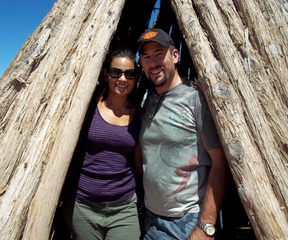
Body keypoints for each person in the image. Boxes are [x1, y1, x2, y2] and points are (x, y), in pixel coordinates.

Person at [136, 28, 230, 239]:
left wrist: (206, 224)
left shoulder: (195, 99)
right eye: (146, 57)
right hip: (151, 217)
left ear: (175, 55)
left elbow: (220, 162)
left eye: (159, 53)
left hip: (188, 219)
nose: (153, 63)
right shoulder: (149, 99)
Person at [62, 48, 143, 240]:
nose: (122, 79)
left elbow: (138, 163)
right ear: (106, 74)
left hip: (123, 206)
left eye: (129, 74)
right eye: (116, 72)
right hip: (83, 205)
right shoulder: (87, 109)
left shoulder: (139, 115)